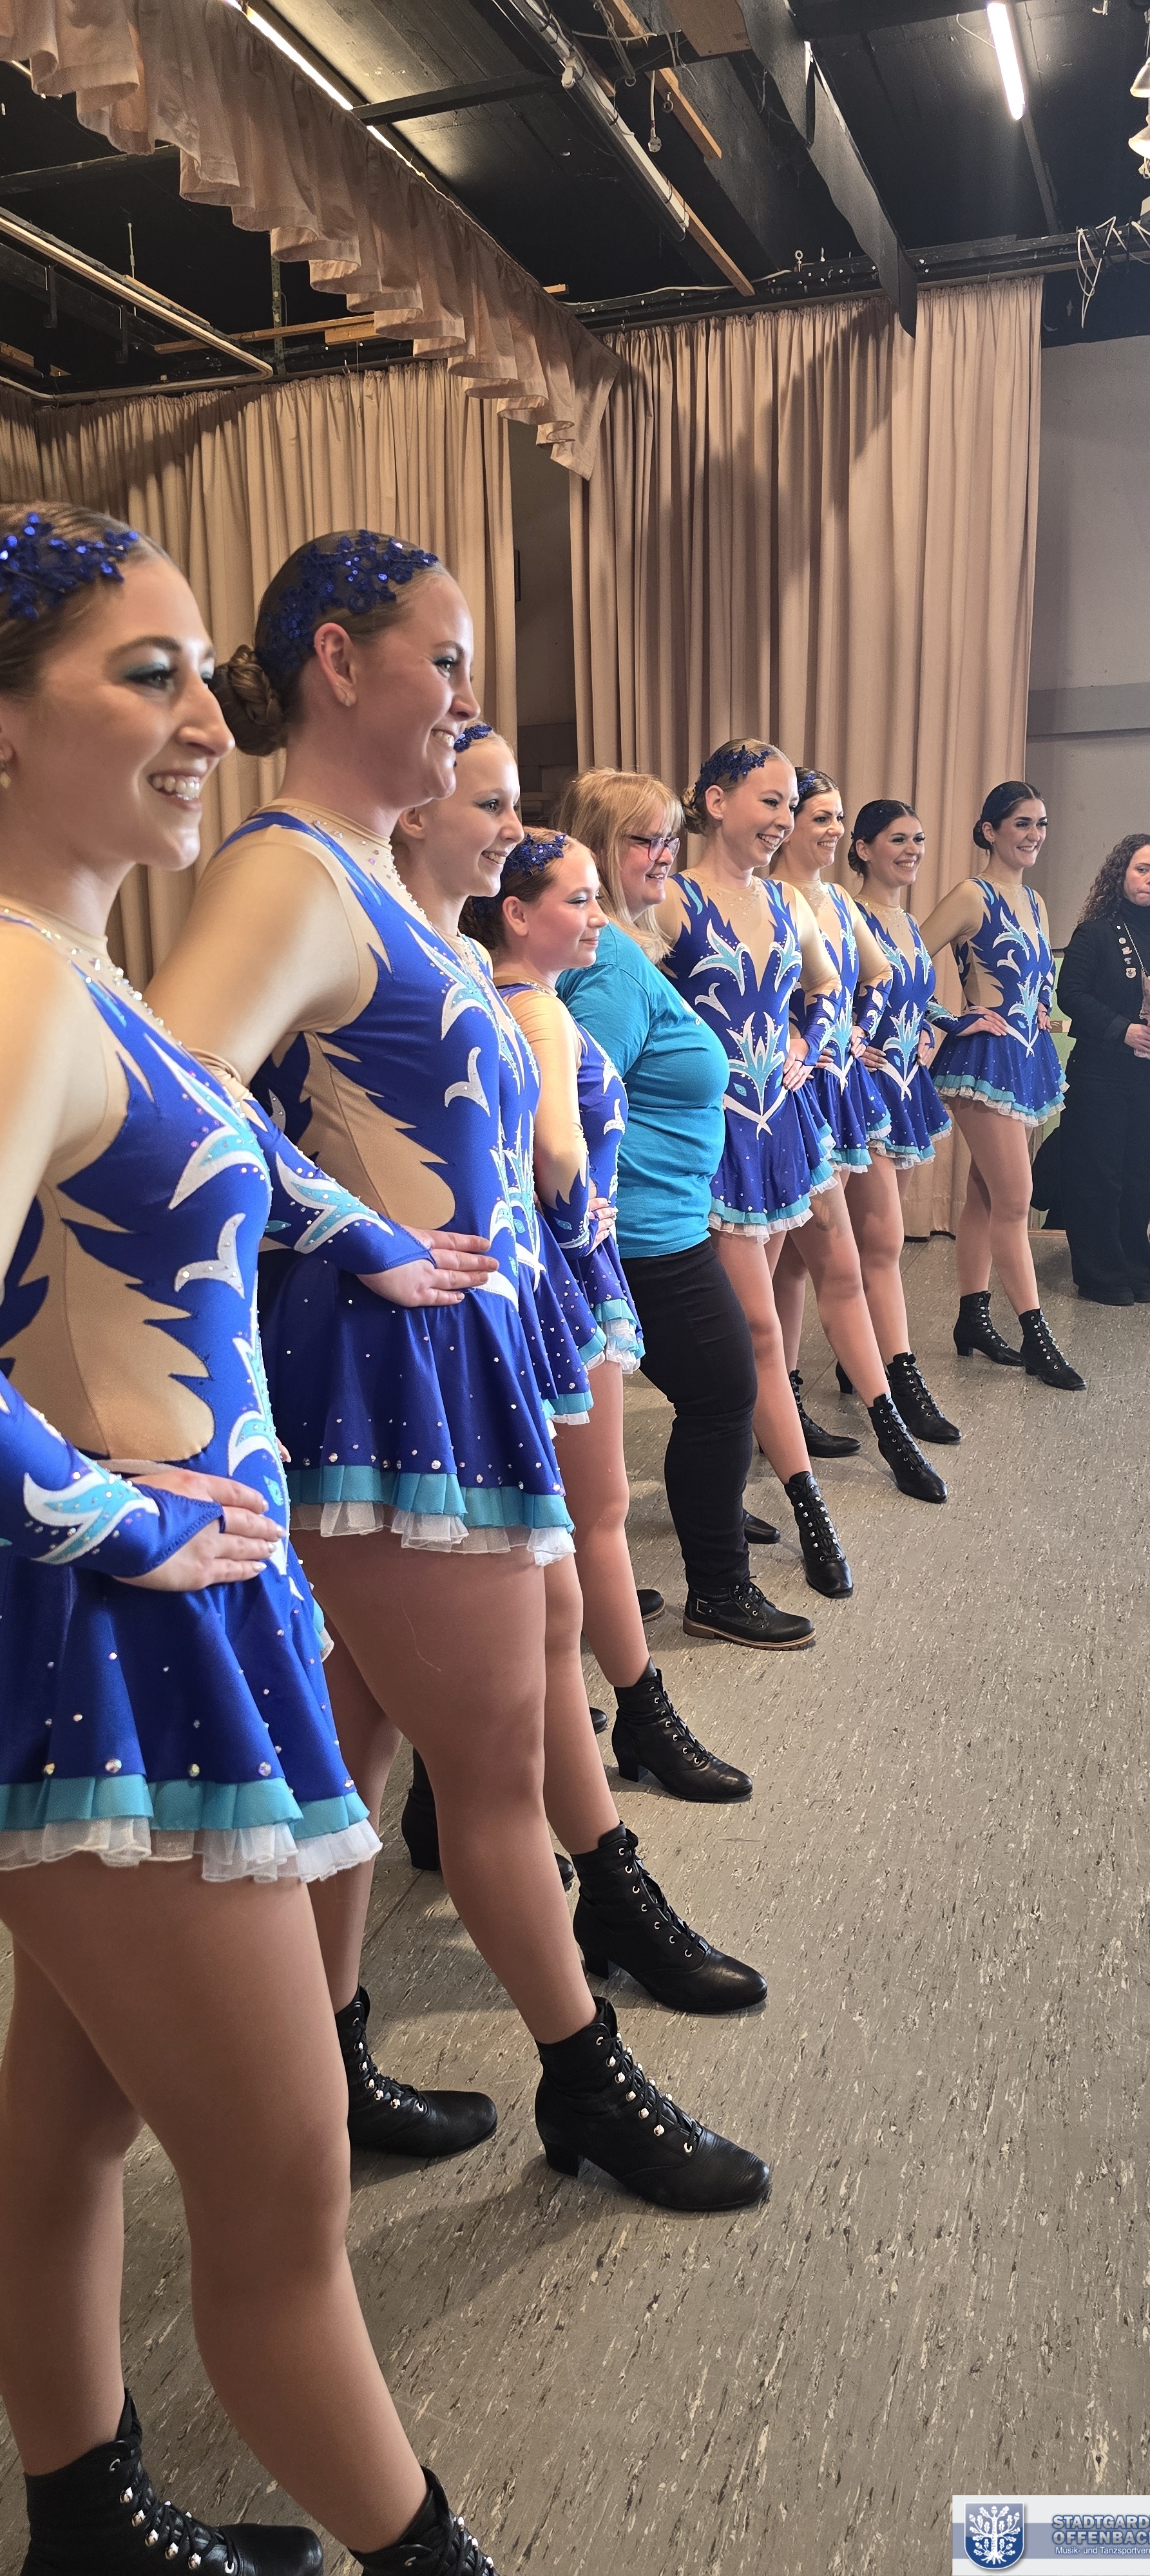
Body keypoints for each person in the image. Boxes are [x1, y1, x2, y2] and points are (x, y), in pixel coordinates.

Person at [0, 505, 505, 2576]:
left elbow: (220, 1153)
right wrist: (118, 1511)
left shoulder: (81, 978)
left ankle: (83, 2515)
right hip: (116, 1642)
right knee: (286, 2215)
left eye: (204, 674)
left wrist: (369, 1236)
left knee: (69, 2124)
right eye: (148, 677)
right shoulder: (13, 988)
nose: (208, 717)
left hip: (164, 1627)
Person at [150, 535, 769, 2211]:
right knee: (492, 1767)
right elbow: (169, 1095)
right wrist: (354, 1229)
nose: (465, 699)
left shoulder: (364, 872)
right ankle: (587, 2076)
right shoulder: (290, 870)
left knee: (366, 1744)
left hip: (444, 1357)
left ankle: (332, 2054)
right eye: (445, 661)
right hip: (386, 1372)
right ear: (339, 663)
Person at [461, 764, 752, 1795]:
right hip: (568, 1274)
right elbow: (554, 1150)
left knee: (548, 1522)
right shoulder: (540, 1010)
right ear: (519, 913)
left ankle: (480, 1773)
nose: (596, 917)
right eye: (578, 900)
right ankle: (642, 1717)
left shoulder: (497, 994)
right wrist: (588, 1196)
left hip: (538, 1271)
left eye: (596, 899)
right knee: (591, 1516)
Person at [555, 765, 816, 1651]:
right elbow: (575, 1104)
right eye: (645, 839)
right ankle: (719, 1590)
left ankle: (603, 1592)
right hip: (643, 1232)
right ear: (597, 848)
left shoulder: (623, 948)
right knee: (722, 1392)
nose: (665, 855)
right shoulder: (613, 968)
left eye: (671, 838)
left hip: (659, 1221)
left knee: (700, 1396)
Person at [655, 740, 855, 1598]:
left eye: (788, 806)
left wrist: (811, 1040)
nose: (782, 820)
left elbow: (829, 990)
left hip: (776, 1138)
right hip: (710, 1141)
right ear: (715, 801)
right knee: (758, 1335)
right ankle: (808, 1506)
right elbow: (623, 1004)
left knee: (747, 1336)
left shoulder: (787, 900)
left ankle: (726, 1487)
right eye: (769, 801)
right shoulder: (673, 898)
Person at [767, 770, 949, 1503]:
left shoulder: (839, 901)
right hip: (788, 1102)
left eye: (837, 818)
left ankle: (803, 1407)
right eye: (819, 816)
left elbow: (873, 983)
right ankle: (843, 1416)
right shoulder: (769, 898)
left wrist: (854, 1038)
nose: (832, 829)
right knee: (812, 1266)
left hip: (840, 1094)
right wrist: (798, 1041)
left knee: (811, 1265)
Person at [921, 781, 1085, 1390]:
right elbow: (904, 962)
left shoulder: (1036, 902)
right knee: (1017, 1199)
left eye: (1040, 824)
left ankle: (973, 1319)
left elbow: (1034, 978)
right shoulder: (973, 894)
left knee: (987, 1196)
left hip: (1027, 1057)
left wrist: (1041, 1006)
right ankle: (1037, 1337)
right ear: (990, 830)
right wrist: (950, 1018)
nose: (1034, 835)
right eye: (1021, 824)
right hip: (983, 1060)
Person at [841, 799, 961, 1443]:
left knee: (876, 1242)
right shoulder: (847, 913)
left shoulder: (910, 922)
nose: (912, 850)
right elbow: (826, 994)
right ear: (862, 848)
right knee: (884, 1243)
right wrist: (851, 1044)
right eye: (898, 839)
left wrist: (950, 1027)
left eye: (918, 839)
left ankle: (854, 1356)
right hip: (866, 1092)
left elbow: (920, 998)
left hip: (908, 1086)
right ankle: (899, 1380)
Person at [1055, 833, 1150, 1305]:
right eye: (1142, 869)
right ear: (1121, 874)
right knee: (1100, 1174)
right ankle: (1100, 1274)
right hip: (1100, 1070)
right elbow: (1071, 995)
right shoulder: (1094, 932)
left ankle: (1135, 1269)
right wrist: (1123, 1030)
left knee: (1142, 1172)